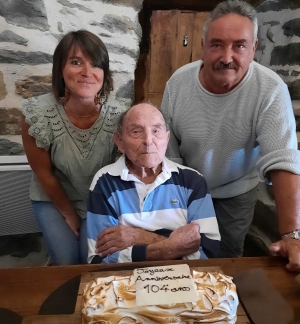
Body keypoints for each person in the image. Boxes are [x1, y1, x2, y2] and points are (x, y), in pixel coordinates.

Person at [160, 0, 300, 270]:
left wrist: (292, 235)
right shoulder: (177, 83)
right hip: (185, 187)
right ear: (202, 47)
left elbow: (282, 158)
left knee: (227, 260)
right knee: (179, 255)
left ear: (254, 49)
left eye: (239, 45)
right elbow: (168, 148)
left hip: (236, 192)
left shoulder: (271, 89)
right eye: (216, 44)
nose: (226, 57)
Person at [22, 30, 124, 265]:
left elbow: (121, 174)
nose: (87, 73)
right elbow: (44, 174)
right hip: (52, 197)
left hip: (97, 199)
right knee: (67, 261)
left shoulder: (120, 116)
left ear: (104, 73)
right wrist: (69, 214)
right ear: (61, 69)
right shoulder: (37, 114)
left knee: (92, 260)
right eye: (76, 62)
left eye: (96, 65)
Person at [86, 103, 220, 264]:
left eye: (156, 131)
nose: (148, 141)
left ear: (167, 138)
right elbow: (99, 260)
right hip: (124, 283)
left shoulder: (192, 181)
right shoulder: (105, 182)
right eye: (136, 132)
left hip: (184, 280)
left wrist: (138, 237)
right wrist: (177, 246)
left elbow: (208, 254)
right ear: (120, 141)